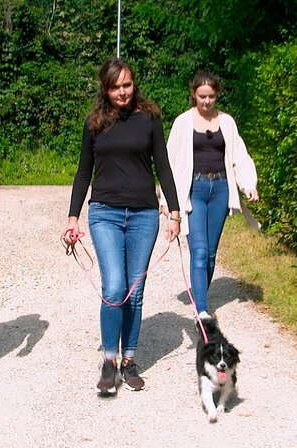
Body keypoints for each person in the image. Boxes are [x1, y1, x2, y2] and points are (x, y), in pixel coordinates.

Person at [63, 57, 182, 395]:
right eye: (115, 87)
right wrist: (73, 217)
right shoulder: (95, 122)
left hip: (144, 215)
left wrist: (174, 212)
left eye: (127, 85)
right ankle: (109, 360)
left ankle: (129, 360)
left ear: (134, 84)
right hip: (105, 213)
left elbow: (163, 166)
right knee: (114, 287)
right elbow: (83, 171)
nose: (122, 92)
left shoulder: (150, 119)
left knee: (135, 290)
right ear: (105, 88)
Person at [160, 70, 259, 320]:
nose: (206, 101)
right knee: (200, 250)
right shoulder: (183, 122)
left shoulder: (227, 122)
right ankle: (202, 309)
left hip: (221, 189)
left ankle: (200, 294)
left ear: (217, 95)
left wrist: (248, 184)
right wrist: (167, 200)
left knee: (211, 253)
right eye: (202, 96)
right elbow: (169, 161)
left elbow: (239, 154)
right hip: (194, 190)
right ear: (193, 94)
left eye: (211, 97)